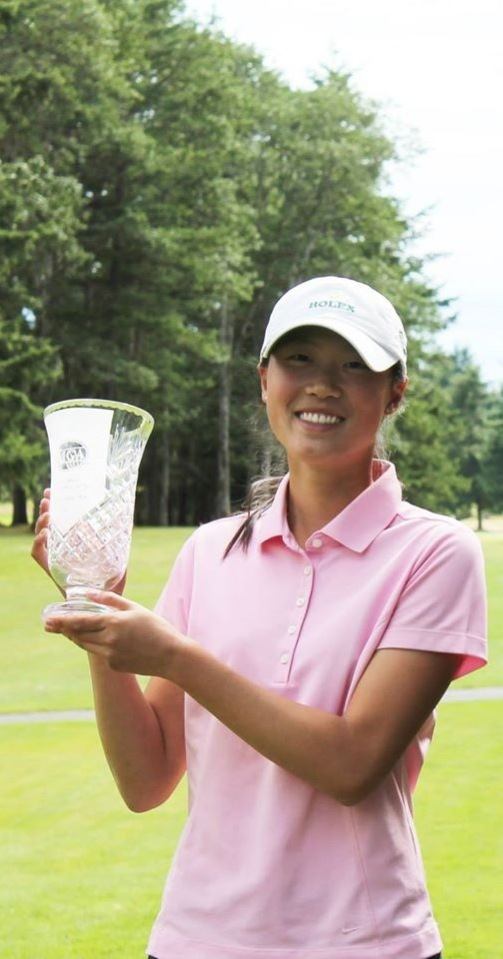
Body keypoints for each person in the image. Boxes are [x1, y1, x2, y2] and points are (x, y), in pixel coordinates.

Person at [33, 276, 487, 959]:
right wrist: (99, 608)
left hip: (362, 944)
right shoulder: (208, 551)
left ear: (395, 391)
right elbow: (146, 776)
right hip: (194, 939)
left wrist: (177, 656)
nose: (322, 385)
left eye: (353, 366)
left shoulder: (435, 553)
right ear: (263, 380)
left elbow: (352, 763)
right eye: (298, 358)